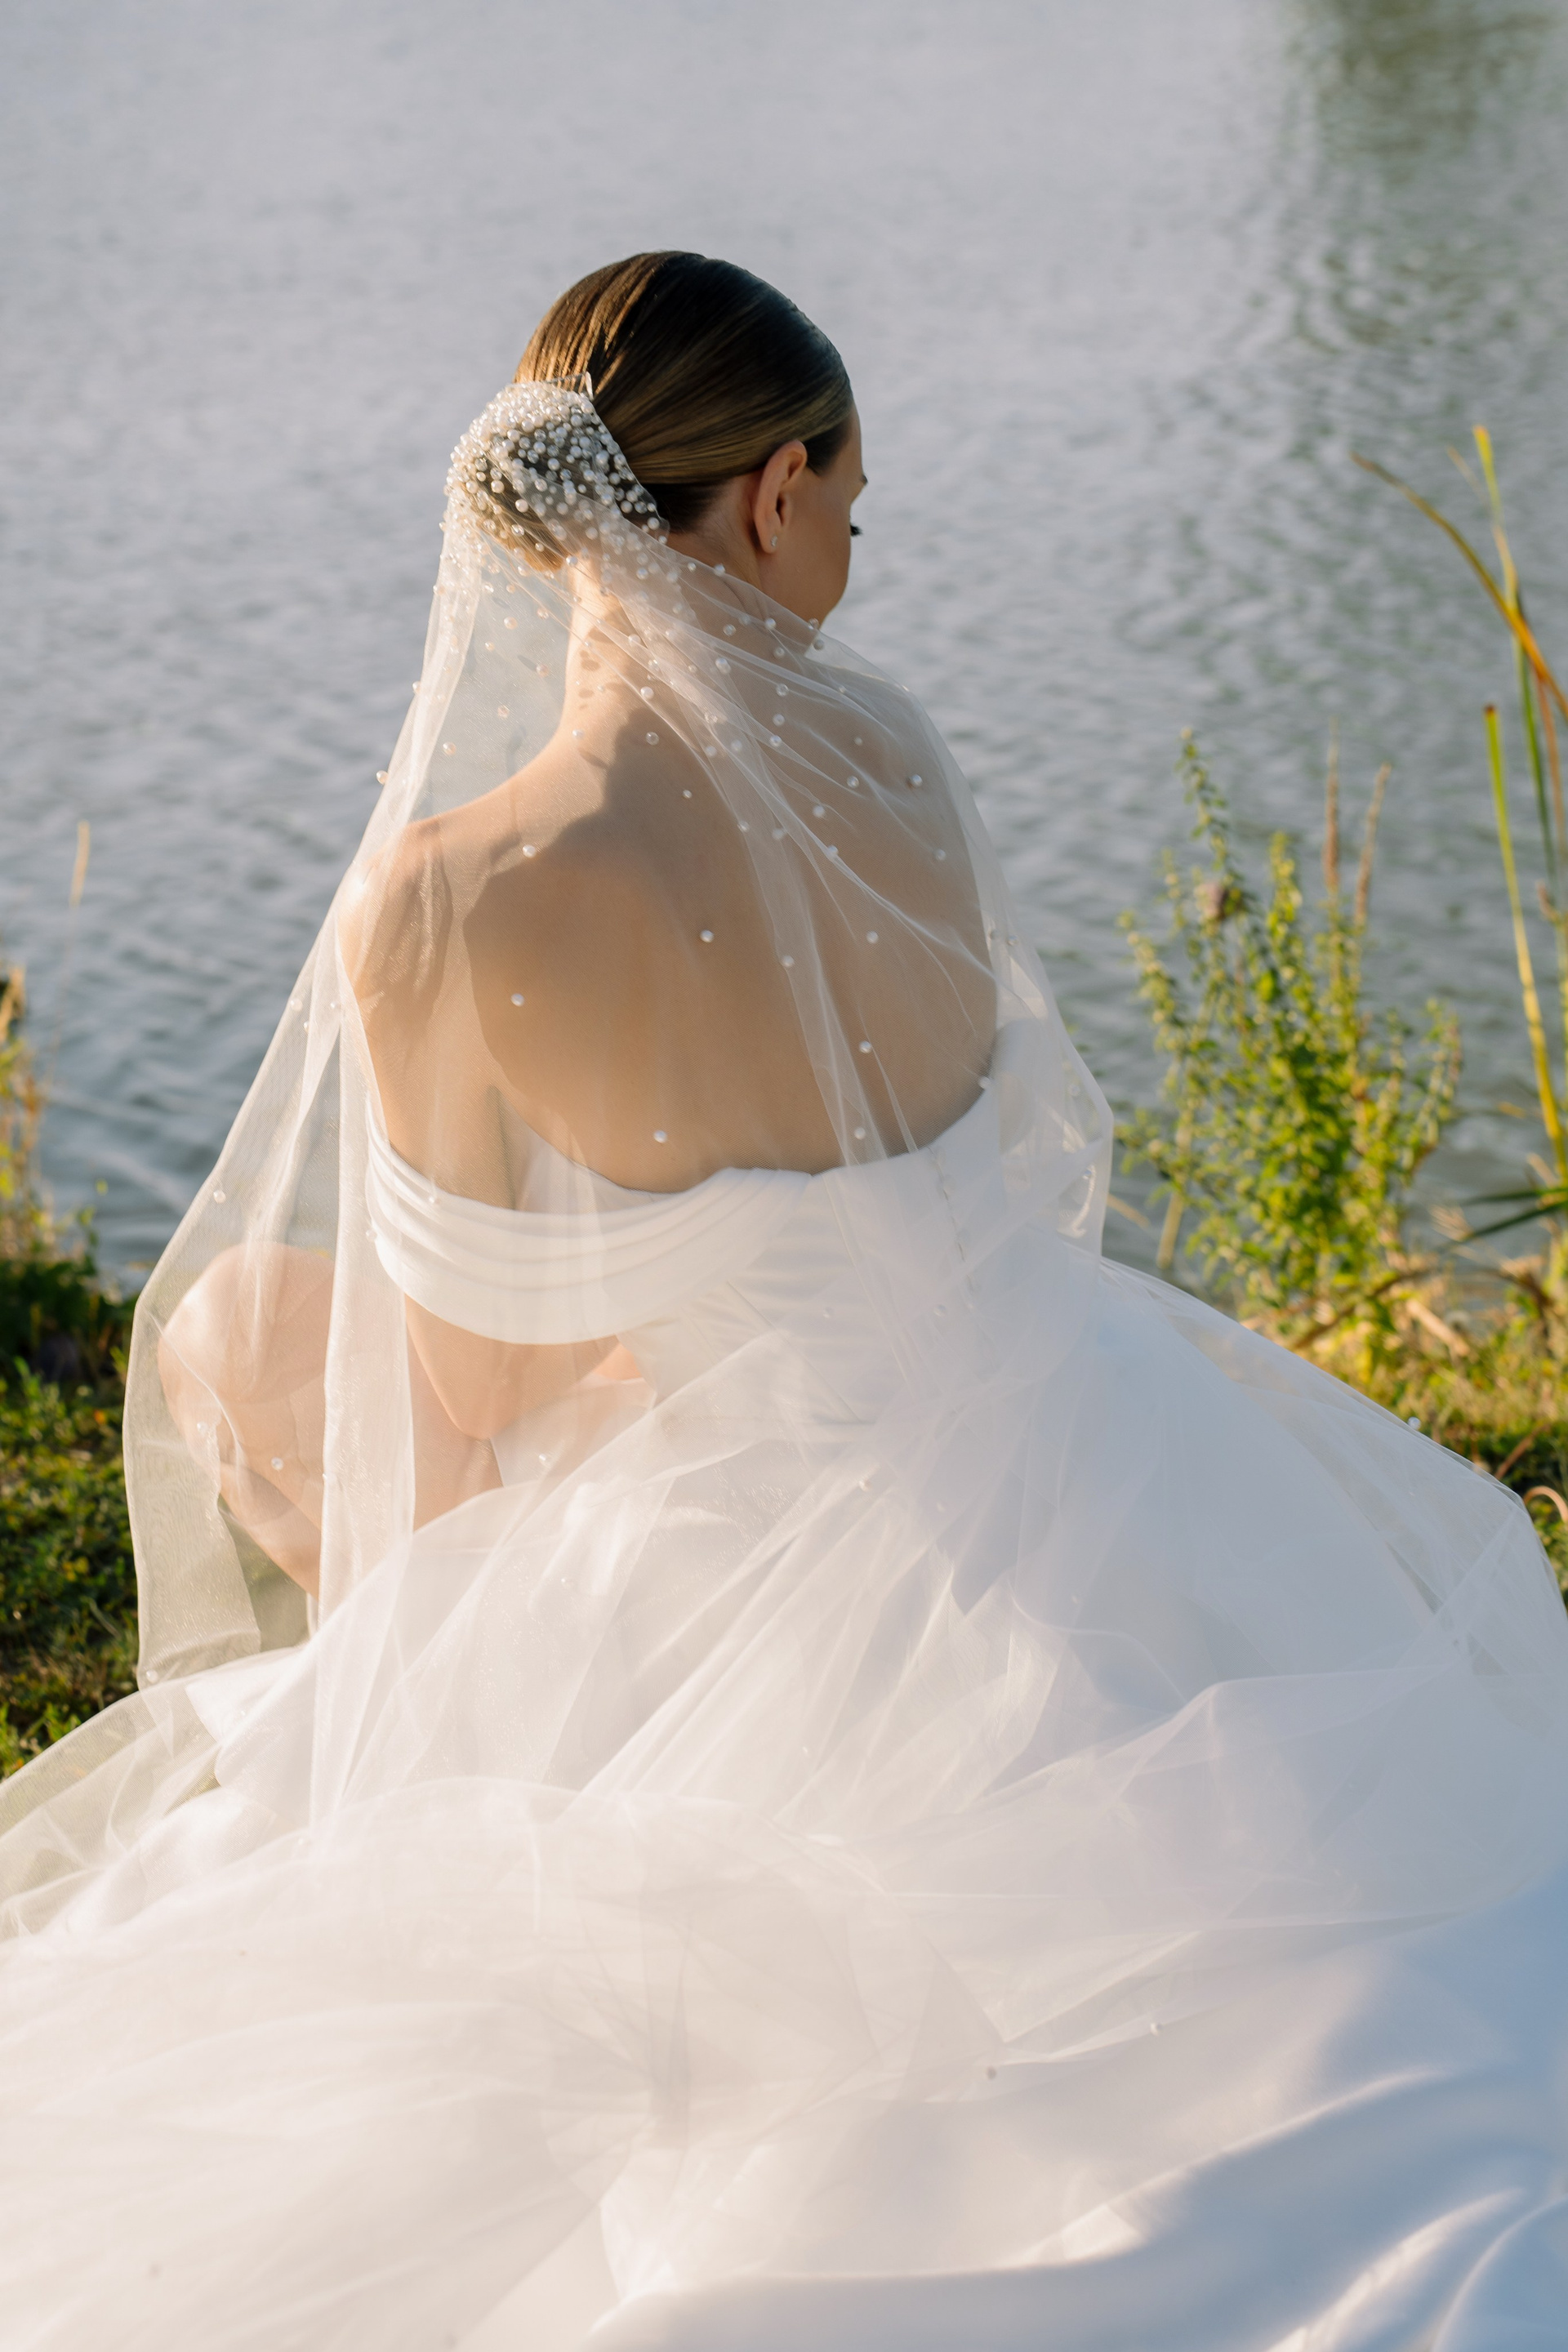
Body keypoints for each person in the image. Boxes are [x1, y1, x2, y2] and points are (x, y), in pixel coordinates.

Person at [2, 252, 1566, 2352]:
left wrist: (658, 1295)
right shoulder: (890, 746)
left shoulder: (451, 896)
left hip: (751, 1514)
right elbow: (974, 1140)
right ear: (771, 492)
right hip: (1081, 1423)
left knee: (234, 1338)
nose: (853, 546)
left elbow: (470, 1387)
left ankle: (441, 1774)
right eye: (854, 498)